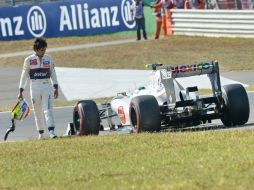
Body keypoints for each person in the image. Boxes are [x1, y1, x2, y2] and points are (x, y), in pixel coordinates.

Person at [18, 37, 59, 139]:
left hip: (47, 86)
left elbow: (53, 73)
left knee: (48, 109)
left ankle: (51, 132)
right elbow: (24, 76)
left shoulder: (49, 59)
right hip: (34, 87)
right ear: (36, 49)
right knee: (37, 111)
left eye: (45, 49)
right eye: (42, 50)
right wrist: (21, 90)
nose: (44, 51)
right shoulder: (28, 60)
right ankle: (40, 133)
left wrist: (56, 87)